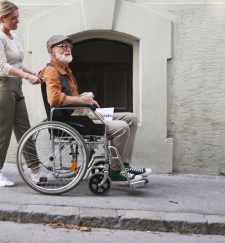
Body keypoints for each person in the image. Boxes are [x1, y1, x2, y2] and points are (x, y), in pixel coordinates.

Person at [39, 35, 152, 185]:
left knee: (131, 118)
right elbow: (54, 99)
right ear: (51, 51)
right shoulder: (51, 70)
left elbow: (71, 97)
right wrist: (80, 100)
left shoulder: (67, 71)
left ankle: (125, 165)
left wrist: (85, 98)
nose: (67, 49)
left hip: (80, 113)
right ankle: (116, 171)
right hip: (70, 119)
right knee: (122, 127)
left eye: (69, 46)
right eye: (63, 46)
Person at [0, 0, 54, 187]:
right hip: (1, 87)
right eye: (13, 18)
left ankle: (35, 169)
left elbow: (15, 62)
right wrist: (25, 76)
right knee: (3, 131)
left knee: (25, 129)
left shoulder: (12, 36)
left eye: (18, 17)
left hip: (15, 87)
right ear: (2, 18)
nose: (18, 21)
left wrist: (31, 73)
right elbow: (2, 65)